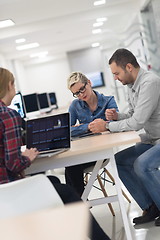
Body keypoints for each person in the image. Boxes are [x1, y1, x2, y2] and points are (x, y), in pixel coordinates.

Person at [0, 67, 110, 240]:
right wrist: (27, 157)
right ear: (9, 85)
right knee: (67, 193)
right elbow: (14, 164)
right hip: (9, 192)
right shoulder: (8, 115)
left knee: (52, 180)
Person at [89, 48, 160, 226]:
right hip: (153, 138)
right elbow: (132, 114)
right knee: (119, 160)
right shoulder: (132, 85)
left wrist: (106, 126)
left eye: (116, 73)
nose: (115, 78)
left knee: (142, 164)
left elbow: (137, 122)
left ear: (129, 67)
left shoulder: (149, 83)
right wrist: (117, 116)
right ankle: (151, 207)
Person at [65, 71, 118, 196]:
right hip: (85, 151)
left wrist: (106, 125)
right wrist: (88, 127)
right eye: (76, 93)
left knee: (71, 167)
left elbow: (118, 124)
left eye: (82, 89)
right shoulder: (75, 105)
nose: (81, 95)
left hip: (103, 152)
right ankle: (79, 203)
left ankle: (79, 204)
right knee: (70, 165)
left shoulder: (108, 101)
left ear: (89, 82)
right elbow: (67, 130)